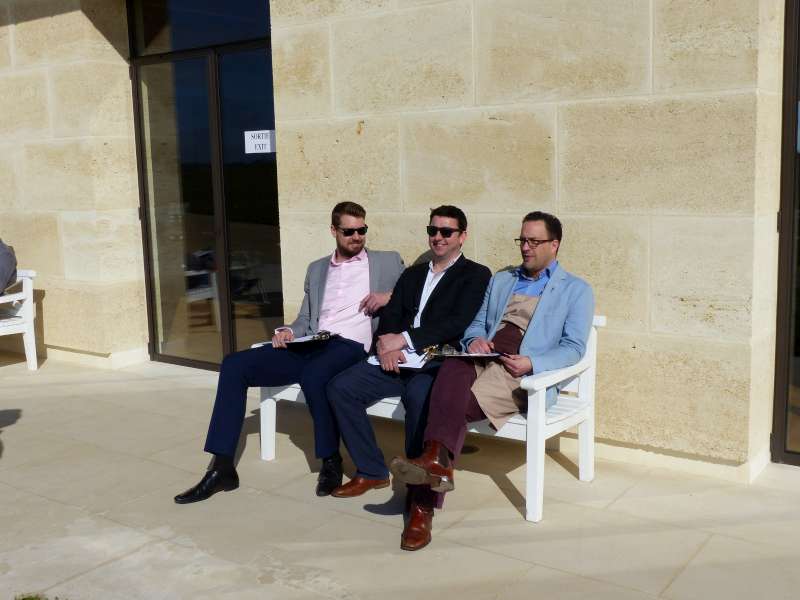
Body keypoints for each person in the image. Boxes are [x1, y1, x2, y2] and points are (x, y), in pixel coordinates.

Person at [388, 211, 595, 551]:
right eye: (522, 240)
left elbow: (573, 349)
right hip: (484, 355)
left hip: (520, 370)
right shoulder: (502, 279)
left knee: (444, 407)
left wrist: (532, 363)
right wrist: (473, 342)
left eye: (533, 241)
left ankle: (422, 507)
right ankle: (436, 466)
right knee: (450, 371)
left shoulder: (576, 290)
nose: (525, 248)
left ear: (554, 245)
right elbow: (476, 324)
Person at [175, 202, 405, 504]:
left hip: (351, 346)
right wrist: (288, 332)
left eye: (362, 230)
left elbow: (415, 292)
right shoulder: (318, 268)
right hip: (313, 342)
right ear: (333, 231)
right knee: (234, 365)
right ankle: (222, 467)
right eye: (349, 231)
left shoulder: (386, 262)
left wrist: (387, 296)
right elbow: (305, 320)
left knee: (315, 374)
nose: (357, 236)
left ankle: (330, 459)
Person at [325, 205, 491, 501]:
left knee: (419, 397)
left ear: (462, 236)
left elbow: (457, 322)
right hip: (395, 358)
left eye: (446, 231)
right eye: (433, 230)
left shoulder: (475, 275)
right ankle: (371, 470)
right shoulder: (413, 274)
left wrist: (402, 339)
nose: (438, 237)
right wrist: (385, 344)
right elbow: (392, 313)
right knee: (341, 388)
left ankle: (420, 493)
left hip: (434, 361)